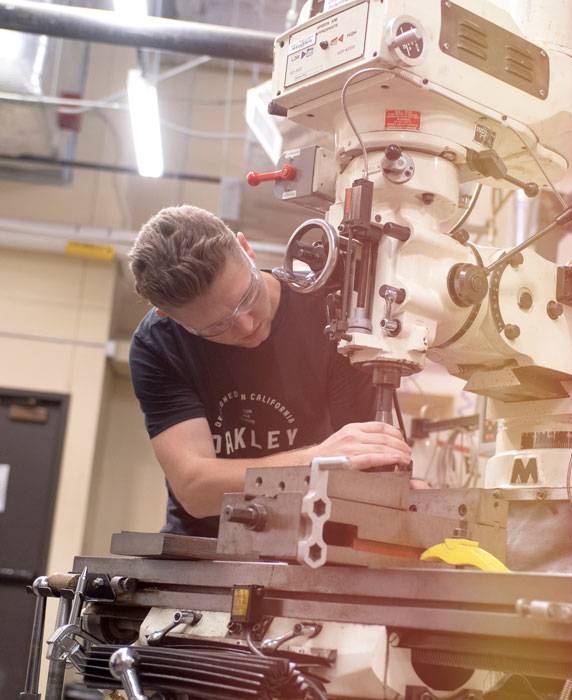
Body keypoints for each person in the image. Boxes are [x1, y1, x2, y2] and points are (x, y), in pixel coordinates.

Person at [128, 205, 412, 537]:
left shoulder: (331, 311)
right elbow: (196, 489)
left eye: (247, 296)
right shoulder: (158, 345)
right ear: (167, 315)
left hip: (312, 536)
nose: (246, 325)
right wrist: (318, 459)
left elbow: (366, 461)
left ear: (247, 250)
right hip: (204, 550)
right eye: (217, 326)